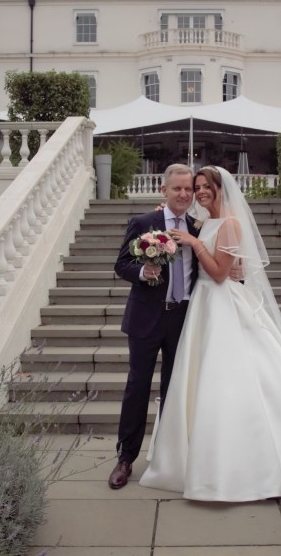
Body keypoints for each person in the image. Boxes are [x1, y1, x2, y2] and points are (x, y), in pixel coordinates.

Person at [140, 165, 281, 501]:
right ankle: (196, 458)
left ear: (222, 188)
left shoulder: (231, 224)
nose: (201, 192)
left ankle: (247, 465)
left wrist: (194, 243)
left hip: (221, 302)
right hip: (202, 306)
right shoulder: (205, 222)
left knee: (229, 379)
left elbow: (220, 274)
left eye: (207, 187)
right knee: (201, 379)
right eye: (198, 187)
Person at [108, 163, 200, 489]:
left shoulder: (197, 227)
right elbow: (122, 263)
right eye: (177, 188)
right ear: (164, 190)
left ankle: (167, 457)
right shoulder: (144, 222)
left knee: (174, 391)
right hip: (146, 317)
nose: (183, 194)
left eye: (188, 188)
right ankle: (125, 458)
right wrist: (143, 272)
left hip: (182, 319)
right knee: (138, 387)